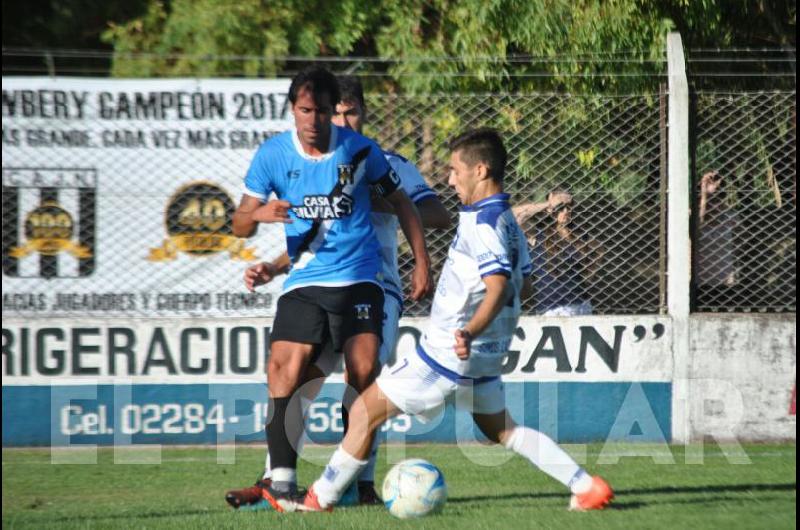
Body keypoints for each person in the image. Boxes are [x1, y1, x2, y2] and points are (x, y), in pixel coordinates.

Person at [261, 128, 613, 513]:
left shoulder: (484, 225)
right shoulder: (509, 223)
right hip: (485, 357)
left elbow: (497, 287)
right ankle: (586, 485)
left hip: (450, 351)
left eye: (454, 170)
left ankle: (318, 499)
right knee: (502, 431)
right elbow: (524, 289)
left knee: (363, 411)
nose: (449, 179)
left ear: (479, 170)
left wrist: (469, 328)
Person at [225, 76, 449, 508]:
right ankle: (275, 478)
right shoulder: (287, 156)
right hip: (317, 281)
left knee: (361, 378)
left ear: (361, 113)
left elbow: (434, 211)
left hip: (375, 285)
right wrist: (273, 266)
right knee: (299, 379)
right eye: (334, 112)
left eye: (348, 112)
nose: (339, 120)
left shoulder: (384, 160)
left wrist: (368, 200)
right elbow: (317, 231)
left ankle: (358, 481)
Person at [515, 189, 602, 316]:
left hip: (580, 304)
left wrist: (589, 276)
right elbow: (515, 216)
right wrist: (549, 204)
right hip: (551, 307)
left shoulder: (579, 236)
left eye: (569, 207)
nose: (566, 211)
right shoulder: (539, 235)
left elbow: (599, 249)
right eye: (561, 207)